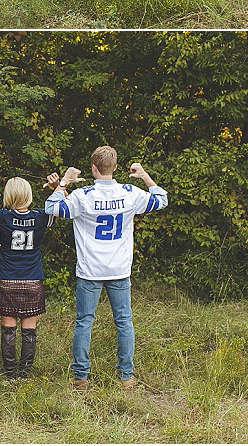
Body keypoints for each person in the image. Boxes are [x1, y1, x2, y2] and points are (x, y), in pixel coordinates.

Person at [44, 147, 168, 390]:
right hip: (120, 270)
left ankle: (80, 376)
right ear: (115, 167)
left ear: (93, 168)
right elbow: (161, 199)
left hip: (90, 271)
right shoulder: (130, 192)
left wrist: (65, 182)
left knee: (84, 322)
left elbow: (52, 208)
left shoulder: (83, 196)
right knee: (123, 321)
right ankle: (125, 376)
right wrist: (144, 175)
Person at [0, 176, 54, 379]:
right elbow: (62, 208)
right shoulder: (41, 216)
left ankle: (10, 373)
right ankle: (24, 373)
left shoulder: (2, 216)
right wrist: (57, 188)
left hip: (7, 278)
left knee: (8, 328)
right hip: (33, 279)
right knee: (29, 329)